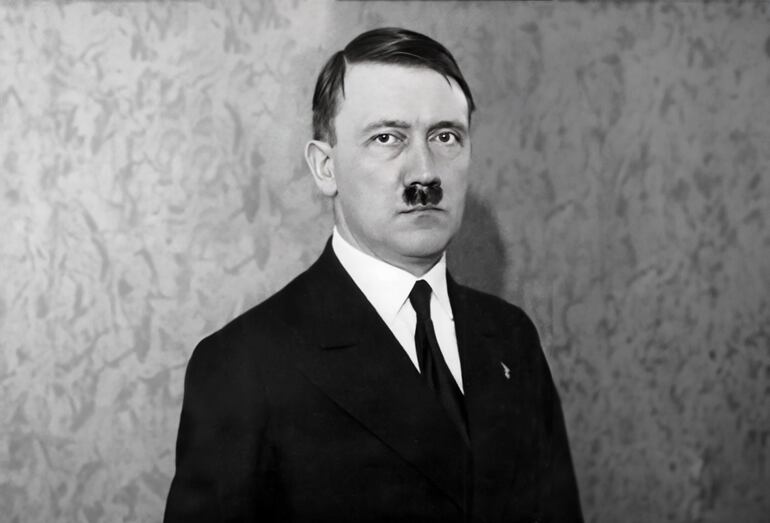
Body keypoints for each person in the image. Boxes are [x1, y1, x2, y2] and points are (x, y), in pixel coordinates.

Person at [164, 27, 583, 523]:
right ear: (325, 168)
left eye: (445, 137)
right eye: (387, 138)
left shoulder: (511, 338)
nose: (424, 174)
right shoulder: (245, 365)